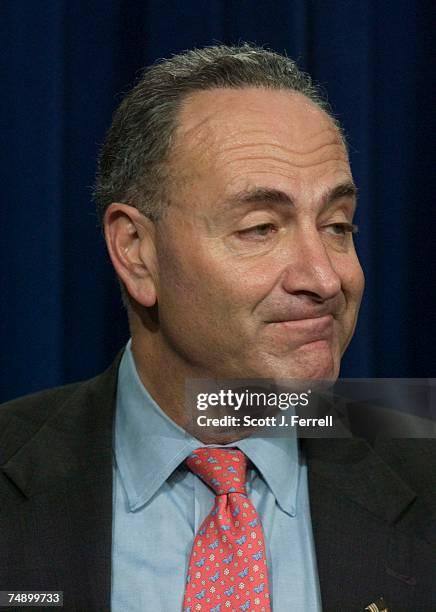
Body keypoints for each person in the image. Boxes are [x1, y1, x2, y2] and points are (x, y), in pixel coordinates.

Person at [0, 44, 434, 612]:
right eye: (260, 228)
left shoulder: (418, 444)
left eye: (337, 225)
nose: (325, 278)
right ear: (137, 252)